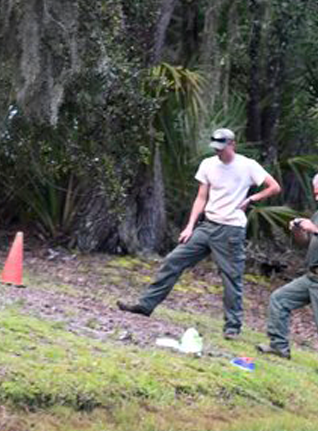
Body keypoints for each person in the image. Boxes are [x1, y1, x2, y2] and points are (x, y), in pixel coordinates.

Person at [117, 128, 281, 339]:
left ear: (232, 144)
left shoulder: (247, 165)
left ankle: (232, 327)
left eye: (221, 148)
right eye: (215, 148)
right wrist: (189, 226)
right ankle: (145, 305)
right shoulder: (208, 164)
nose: (218, 152)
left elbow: (274, 187)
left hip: (231, 230)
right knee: (173, 260)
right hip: (207, 226)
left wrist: (252, 200)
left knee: (231, 278)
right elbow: (201, 197)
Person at [257, 171, 318, 377]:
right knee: (279, 299)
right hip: (312, 276)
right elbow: (306, 243)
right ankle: (279, 347)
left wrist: (316, 231)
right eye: (316, 195)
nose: (317, 199)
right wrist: (298, 231)